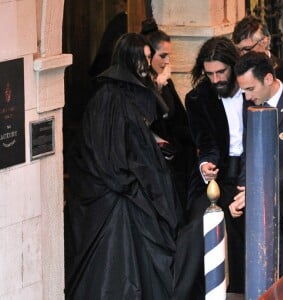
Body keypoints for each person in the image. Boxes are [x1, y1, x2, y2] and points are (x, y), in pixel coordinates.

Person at [65, 33, 181, 299]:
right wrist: (135, 183)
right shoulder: (110, 97)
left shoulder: (125, 93)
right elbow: (109, 153)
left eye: (149, 58)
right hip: (118, 198)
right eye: (143, 58)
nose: (147, 64)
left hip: (130, 187)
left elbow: (134, 134)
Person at [185, 36, 251, 295]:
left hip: (254, 166)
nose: (216, 80)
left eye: (221, 72)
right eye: (209, 73)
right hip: (222, 172)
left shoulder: (250, 85)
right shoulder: (198, 98)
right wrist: (205, 166)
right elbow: (205, 142)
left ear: (233, 66)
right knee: (226, 236)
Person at [230, 51, 283, 277]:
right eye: (243, 91)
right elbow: (248, 151)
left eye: (250, 89)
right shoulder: (250, 104)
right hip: (261, 213)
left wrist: (259, 189)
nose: (247, 97)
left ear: (268, 79)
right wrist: (242, 194)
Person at [141, 18, 197, 212]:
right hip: (157, 165)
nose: (167, 62)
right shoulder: (143, 86)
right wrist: (158, 86)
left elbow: (179, 118)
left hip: (177, 160)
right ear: (149, 56)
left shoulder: (166, 81)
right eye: (162, 56)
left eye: (169, 56)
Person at [232, 15, 283, 91]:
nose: (242, 55)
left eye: (247, 49)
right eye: (239, 50)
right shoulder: (234, 74)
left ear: (265, 41)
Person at [89, 0, 128, 78]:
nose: (116, 7)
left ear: (124, 5)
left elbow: (106, 45)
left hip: (113, 62)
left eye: (118, 4)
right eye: (115, 4)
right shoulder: (118, 20)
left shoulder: (119, 20)